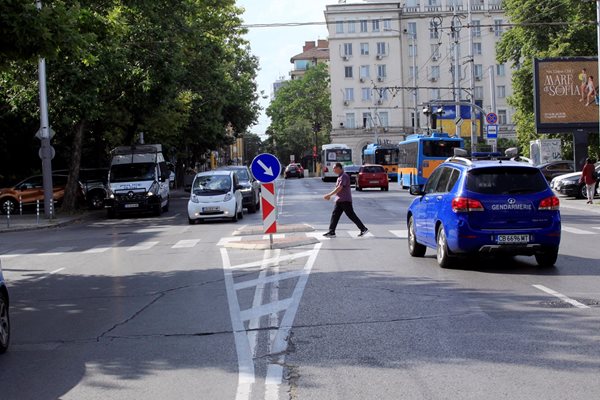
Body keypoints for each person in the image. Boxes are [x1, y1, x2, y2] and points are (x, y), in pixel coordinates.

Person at [323, 162, 368, 237]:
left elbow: (339, 188)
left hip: (345, 200)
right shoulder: (340, 176)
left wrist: (329, 195)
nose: (333, 170)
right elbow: (338, 188)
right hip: (340, 200)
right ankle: (331, 232)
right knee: (335, 215)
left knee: (351, 215)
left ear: (339, 168)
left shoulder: (344, 176)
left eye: (334, 168)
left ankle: (363, 229)